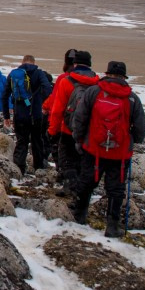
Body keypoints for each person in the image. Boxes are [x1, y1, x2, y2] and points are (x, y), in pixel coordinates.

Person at [70, 60, 145, 237]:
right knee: (116, 189)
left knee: (87, 182)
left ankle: (79, 216)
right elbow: (141, 128)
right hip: (119, 153)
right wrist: (132, 141)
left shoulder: (93, 92)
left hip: (93, 148)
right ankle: (112, 226)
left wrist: (79, 139)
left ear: (107, 74)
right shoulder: (132, 98)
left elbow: (80, 118)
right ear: (123, 77)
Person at [46, 49, 99, 199]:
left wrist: (52, 130)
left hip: (68, 129)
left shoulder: (66, 81)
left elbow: (58, 109)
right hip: (89, 131)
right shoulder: (98, 83)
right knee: (84, 160)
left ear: (75, 64)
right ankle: (82, 191)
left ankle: (70, 187)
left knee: (67, 160)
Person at [5, 55, 54, 175]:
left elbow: (4, 95)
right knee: (37, 141)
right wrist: (40, 100)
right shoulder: (39, 73)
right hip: (36, 114)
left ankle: (19, 169)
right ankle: (38, 168)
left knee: (21, 141)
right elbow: (48, 89)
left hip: (19, 115)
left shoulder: (14, 74)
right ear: (34, 62)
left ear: (22, 62)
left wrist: (6, 116)